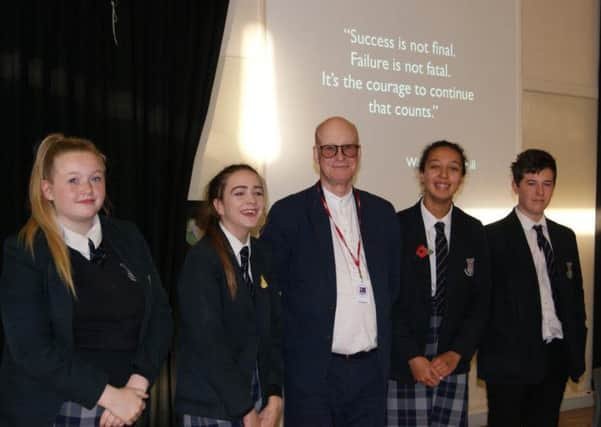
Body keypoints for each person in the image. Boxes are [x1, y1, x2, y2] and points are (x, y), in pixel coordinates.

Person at [0, 134, 172, 427]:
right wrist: (109, 396)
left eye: (95, 178)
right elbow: (31, 349)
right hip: (59, 408)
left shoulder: (128, 237)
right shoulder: (25, 250)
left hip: (127, 407)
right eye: (73, 180)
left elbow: (160, 316)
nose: (87, 189)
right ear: (48, 190)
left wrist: (136, 387)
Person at [261, 116, 401, 426]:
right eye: (330, 149)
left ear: (359, 154)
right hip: (312, 373)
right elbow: (270, 295)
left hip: (370, 372)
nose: (340, 157)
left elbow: (392, 286)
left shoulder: (382, 212)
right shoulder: (288, 214)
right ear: (315, 155)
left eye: (348, 149)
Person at [478, 149, 587, 426]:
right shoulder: (491, 238)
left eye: (547, 184)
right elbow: (482, 305)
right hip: (510, 363)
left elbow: (575, 299)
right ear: (515, 186)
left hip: (556, 356)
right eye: (531, 183)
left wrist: (575, 348)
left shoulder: (565, 237)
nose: (540, 192)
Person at [387, 141, 491, 426]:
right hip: (406, 354)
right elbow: (386, 301)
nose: (444, 176)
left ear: (461, 178)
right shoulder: (395, 226)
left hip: (451, 354)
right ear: (421, 173)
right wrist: (412, 356)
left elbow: (481, 302)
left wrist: (458, 352)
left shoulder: (474, 230)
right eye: (435, 167)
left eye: (453, 169)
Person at [175, 164, 283, 427]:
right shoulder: (202, 259)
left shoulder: (262, 255)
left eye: (258, 193)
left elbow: (271, 332)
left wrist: (274, 394)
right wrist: (244, 408)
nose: (251, 200)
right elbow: (208, 342)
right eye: (239, 193)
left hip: (255, 397)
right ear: (218, 205)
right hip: (214, 403)